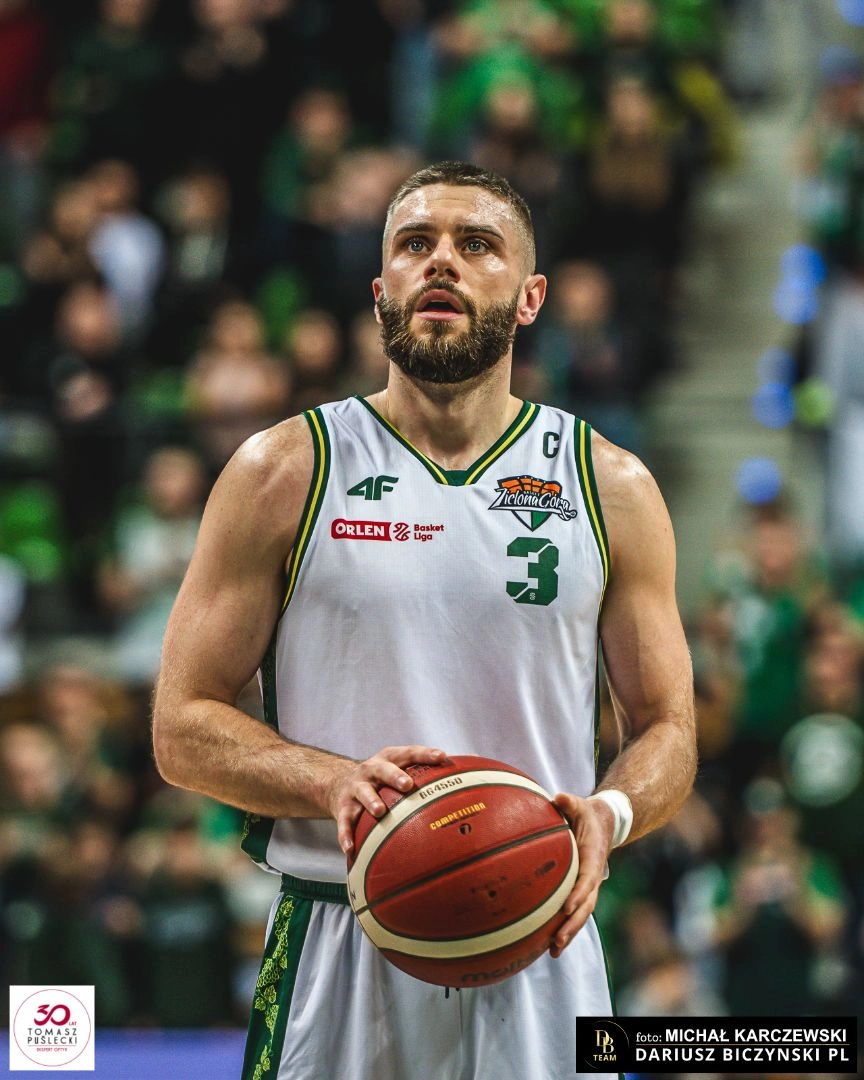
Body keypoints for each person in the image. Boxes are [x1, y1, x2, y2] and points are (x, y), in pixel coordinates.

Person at [152, 161, 697, 1080]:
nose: (441, 261)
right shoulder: (282, 471)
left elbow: (669, 728)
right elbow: (180, 728)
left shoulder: (611, 485)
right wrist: (331, 782)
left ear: (530, 299)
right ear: (380, 294)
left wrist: (609, 812)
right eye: (415, 244)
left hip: (542, 943)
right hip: (341, 933)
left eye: (476, 245)